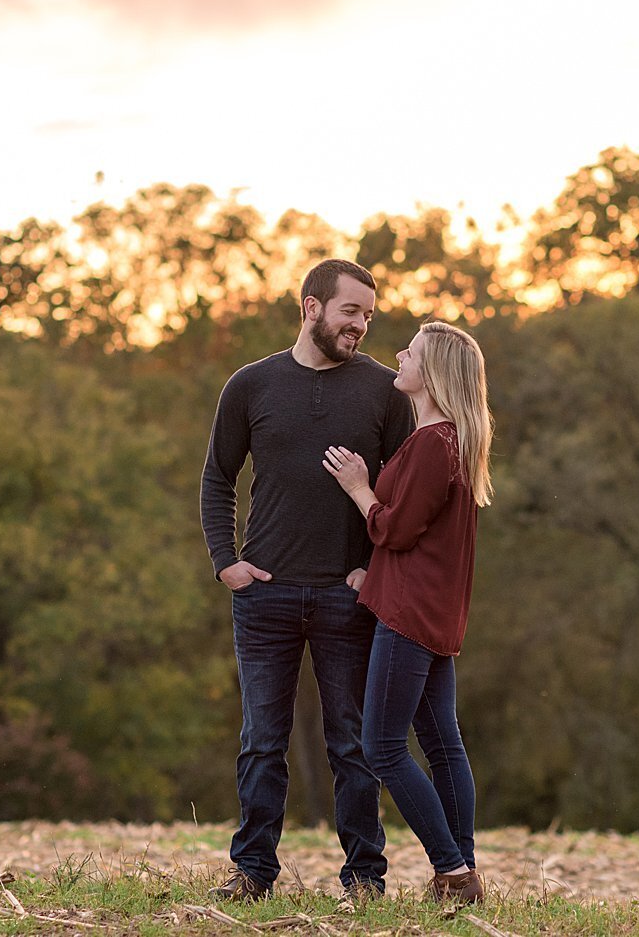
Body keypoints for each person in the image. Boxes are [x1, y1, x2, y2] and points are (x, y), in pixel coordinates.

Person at [201, 258, 415, 901]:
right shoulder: (250, 384)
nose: (361, 326)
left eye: (369, 316)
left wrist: (372, 570)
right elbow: (218, 476)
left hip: (347, 597)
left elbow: (404, 494)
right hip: (263, 592)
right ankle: (253, 873)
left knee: (352, 744)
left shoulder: (384, 391)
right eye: (351, 312)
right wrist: (225, 560)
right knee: (261, 742)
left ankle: (364, 878)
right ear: (311, 307)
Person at [321, 321, 493, 904]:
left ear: (434, 373)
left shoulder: (431, 443)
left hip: (410, 615)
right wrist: (374, 575)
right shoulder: (456, 443)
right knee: (443, 741)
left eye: (411, 353)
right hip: (430, 605)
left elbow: (395, 527)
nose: (399, 354)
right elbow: (426, 540)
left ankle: (450, 868)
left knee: (383, 747)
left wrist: (358, 487)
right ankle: (462, 872)